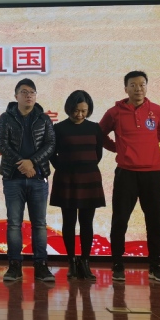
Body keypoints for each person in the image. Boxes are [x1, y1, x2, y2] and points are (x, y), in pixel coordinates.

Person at [99, 71, 160, 283]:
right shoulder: (114, 112)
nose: (138, 89)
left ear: (146, 87)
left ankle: (155, 265)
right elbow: (100, 134)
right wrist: (118, 148)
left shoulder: (156, 110)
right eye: (133, 85)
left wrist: (149, 145)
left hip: (153, 174)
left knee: (154, 222)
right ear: (126, 88)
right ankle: (117, 264)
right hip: (126, 173)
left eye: (142, 84)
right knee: (120, 220)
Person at [0, 79, 56, 283]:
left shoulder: (44, 119)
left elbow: (50, 144)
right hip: (13, 178)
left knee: (39, 224)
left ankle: (41, 265)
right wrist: (23, 164)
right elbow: (2, 144)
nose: (28, 95)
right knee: (14, 224)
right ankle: (14, 265)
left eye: (32, 92)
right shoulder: (6, 118)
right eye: (24, 92)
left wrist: (32, 163)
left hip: (38, 178)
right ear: (16, 96)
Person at [50, 90, 107, 282]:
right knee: (69, 222)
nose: (80, 114)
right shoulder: (59, 128)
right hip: (66, 179)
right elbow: (52, 154)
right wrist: (64, 168)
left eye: (84, 111)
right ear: (69, 109)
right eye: (76, 111)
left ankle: (85, 261)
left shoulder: (95, 128)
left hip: (89, 178)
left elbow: (98, 154)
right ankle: (71, 262)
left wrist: (85, 166)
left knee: (86, 222)